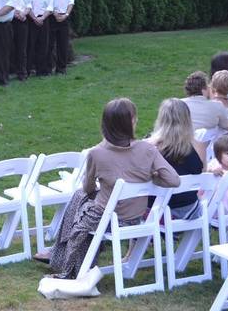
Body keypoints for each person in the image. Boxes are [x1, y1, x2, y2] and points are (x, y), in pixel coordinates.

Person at [40, 98, 180, 276]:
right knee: (79, 198)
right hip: (135, 216)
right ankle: (57, 253)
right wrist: (150, 178)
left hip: (107, 220)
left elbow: (89, 188)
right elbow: (173, 180)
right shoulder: (148, 150)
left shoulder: (97, 153)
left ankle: (60, 256)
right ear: (131, 122)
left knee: (80, 198)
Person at [148, 99, 205, 220]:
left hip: (157, 210)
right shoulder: (198, 146)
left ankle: (138, 239)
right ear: (187, 119)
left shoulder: (150, 147)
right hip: (189, 209)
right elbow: (202, 175)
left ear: (161, 118)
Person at [44, 0, 75, 73]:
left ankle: (61, 68)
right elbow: (47, 1)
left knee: (63, 44)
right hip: (52, 16)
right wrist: (55, 13)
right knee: (49, 44)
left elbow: (71, 1)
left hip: (65, 17)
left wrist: (66, 14)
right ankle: (48, 68)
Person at [25, 0, 53, 76]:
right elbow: (26, 5)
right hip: (31, 19)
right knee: (30, 46)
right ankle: (27, 70)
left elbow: (50, 7)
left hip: (44, 19)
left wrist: (42, 18)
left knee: (43, 45)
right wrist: (34, 18)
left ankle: (41, 70)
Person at [8, 0, 30, 81]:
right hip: (9, 20)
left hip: (22, 20)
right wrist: (15, 13)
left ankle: (22, 72)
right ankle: (7, 71)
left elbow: (29, 5)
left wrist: (23, 14)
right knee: (8, 47)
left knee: (22, 48)